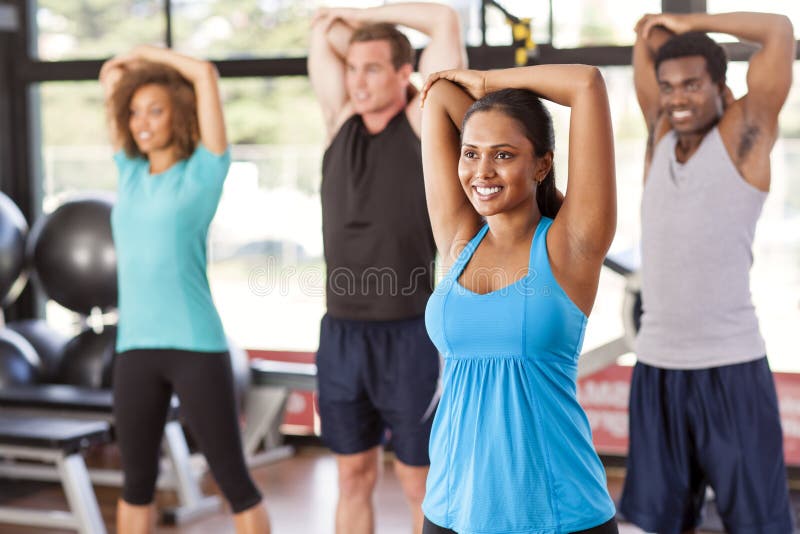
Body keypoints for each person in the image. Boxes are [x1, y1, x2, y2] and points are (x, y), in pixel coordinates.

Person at [417, 62, 619, 533]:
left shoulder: (570, 247)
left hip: (555, 513)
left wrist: (489, 83)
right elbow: (441, 94)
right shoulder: (459, 240)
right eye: (471, 153)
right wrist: (491, 115)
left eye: (504, 155)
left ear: (542, 163)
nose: (482, 171)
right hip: (450, 508)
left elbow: (586, 83)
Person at [621, 12, 795, 534]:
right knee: (660, 525)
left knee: (758, 526)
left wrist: (692, 21)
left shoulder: (745, 134)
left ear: (722, 86)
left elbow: (780, 30)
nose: (677, 98)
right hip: (656, 368)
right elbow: (647, 34)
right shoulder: (659, 133)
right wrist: (660, 31)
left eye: (693, 85)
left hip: (731, 368)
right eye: (669, 85)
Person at [99, 46, 270, 534]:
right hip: (134, 348)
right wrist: (128, 72)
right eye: (134, 112)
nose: (141, 122)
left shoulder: (204, 171)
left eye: (155, 110)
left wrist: (144, 55)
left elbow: (204, 73)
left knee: (234, 481)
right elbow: (110, 76)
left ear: (181, 115)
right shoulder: (130, 174)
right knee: (136, 484)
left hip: (195, 345)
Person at [308, 4, 466, 534]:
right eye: (351, 68)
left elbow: (444, 21)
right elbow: (321, 29)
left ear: (406, 73)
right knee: (352, 474)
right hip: (341, 334)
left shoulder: (424, 123)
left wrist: (361, 14)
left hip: (410, 334)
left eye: (373, 68)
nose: (357, 81)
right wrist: (356, 36)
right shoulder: (339, 124)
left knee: (419, 481)